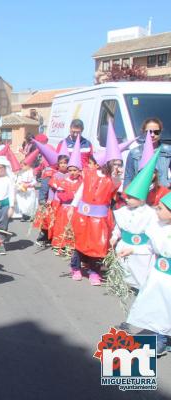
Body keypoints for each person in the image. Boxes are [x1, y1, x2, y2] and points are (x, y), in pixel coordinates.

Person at [69, 122, 123, 286]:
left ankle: (94, 271)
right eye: (114, 163)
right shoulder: (89, 173)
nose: (116, 166)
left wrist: (116, 173)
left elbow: (115, 182)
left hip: (100, 218)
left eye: (118, 164)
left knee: (98, 245)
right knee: (80, 242)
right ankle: (76, 267)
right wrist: (72, 206)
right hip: (83, 215)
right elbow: (80, 191)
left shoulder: (113, 178)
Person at [126, 192, 171, 357]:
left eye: (160, 208)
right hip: (158, 276)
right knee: (157, 307)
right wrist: (132, 249)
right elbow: (149, 247)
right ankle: (159, 338)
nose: (156, 210)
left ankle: (163, 339)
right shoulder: (158, 228)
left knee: (167, 309)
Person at [50, 139, 83, 252]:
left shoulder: (82, 181)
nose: (73, 172)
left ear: (79, 170)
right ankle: (59, 245)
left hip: (76, 209)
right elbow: (60, 195)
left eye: (75, 170)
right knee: (62, 226)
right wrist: (72, 195)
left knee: (73, 227)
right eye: (71, 170)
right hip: (64, 208)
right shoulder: (64, 181)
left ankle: (70, 245)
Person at [124, 117, 171, 189]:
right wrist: (126, 196)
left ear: (160, 132)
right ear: (143, 132)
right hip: (140, 195)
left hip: (161, 196)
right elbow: (128, 178)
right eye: (149, 132)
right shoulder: (134, 153)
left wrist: (167, 184)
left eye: (156, 132)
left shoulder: (168, 151)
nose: (152, 135)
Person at [15, 155, 38, 221]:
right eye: (22, 165)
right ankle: (24, 215)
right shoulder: (20, 172)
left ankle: (29, 215)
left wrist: (29, 185)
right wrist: (20, 184)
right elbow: (18, 180)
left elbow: (34, 181)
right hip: (22, 189)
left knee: (29, 203)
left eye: (24, 165)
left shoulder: (32, 172)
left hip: (30, 190)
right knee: (22, 203)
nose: (23, 167)